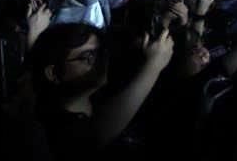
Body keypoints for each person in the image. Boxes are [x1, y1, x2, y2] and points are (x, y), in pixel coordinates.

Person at [29, 21, 174, 155]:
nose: (101, 61)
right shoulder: (51, 129)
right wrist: (154, 65)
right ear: (53, 73)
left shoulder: (102, 96)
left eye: (100, 52)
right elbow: (94, 136)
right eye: (88, 56)